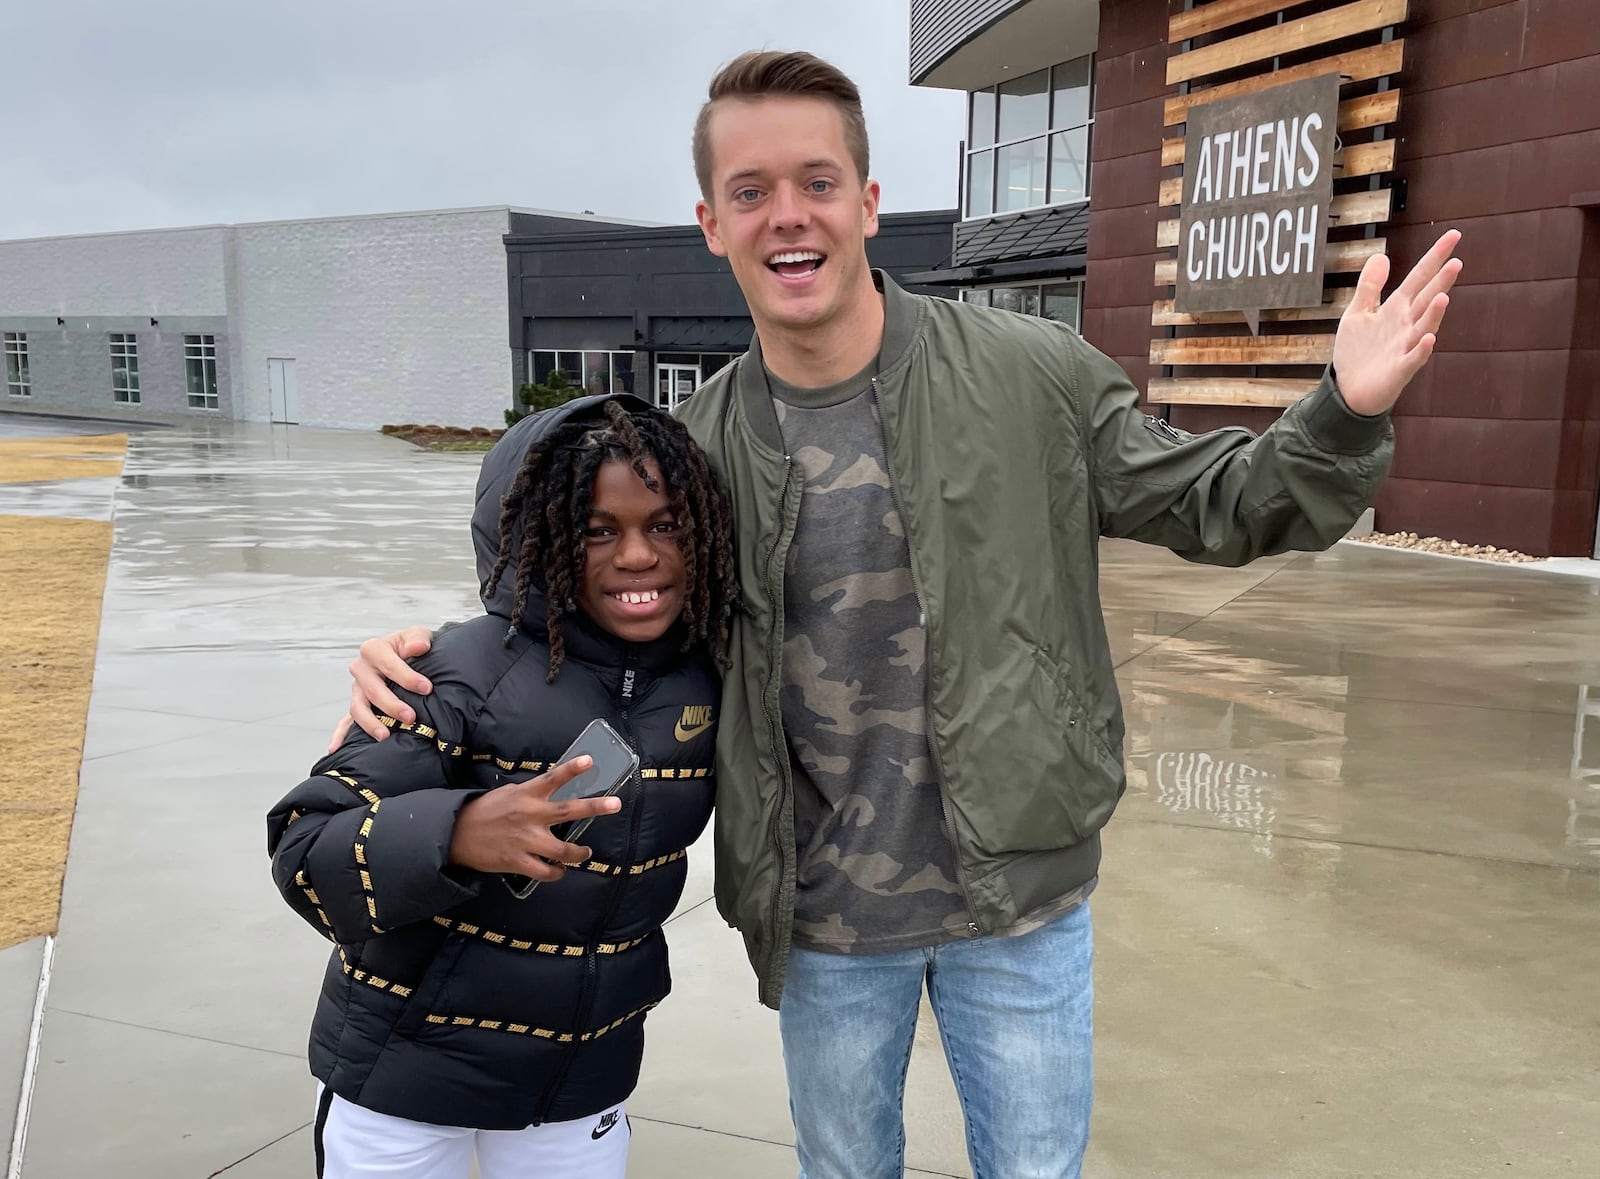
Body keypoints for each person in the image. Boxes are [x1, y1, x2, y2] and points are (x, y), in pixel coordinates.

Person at [336, 51, 1462, 1179]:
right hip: (825, 918)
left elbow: (1224, 506)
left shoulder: (1032, 375)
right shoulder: (701, 450)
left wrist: (1341, 410)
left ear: (868, 203)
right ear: (710, 224)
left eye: (818, 182)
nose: (789, 216)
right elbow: (601, 616)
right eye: (752, 191)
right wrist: (427, 664)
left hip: (1018, 898)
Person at [269, 395, 737, 1179]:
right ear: (531, 539)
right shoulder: (451, 671)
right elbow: (304, 851)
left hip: (580, 1085)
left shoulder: (713, 675)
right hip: (405, 1079)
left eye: (664, 525)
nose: (637, 555)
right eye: (596, 530)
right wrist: (455, 832)